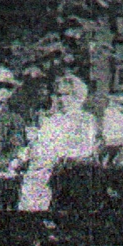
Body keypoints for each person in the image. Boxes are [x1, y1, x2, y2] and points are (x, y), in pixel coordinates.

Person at [17, 75, 98, 211]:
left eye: (67, 95)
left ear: (77, 96)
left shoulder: (85, 120)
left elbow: (85, 148)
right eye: (59, 95)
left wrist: (59, 156)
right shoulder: (51, 120)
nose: (62, 100)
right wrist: (21, 157)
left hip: (66, 167)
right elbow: (38, 143)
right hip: (40, 166)